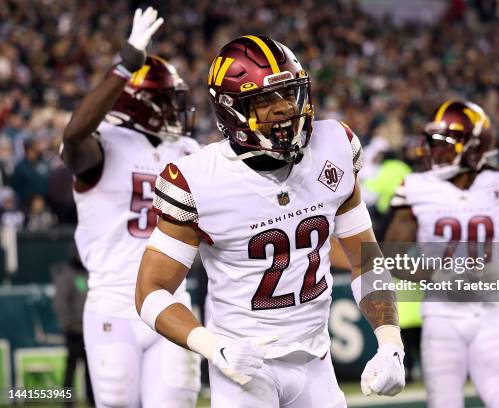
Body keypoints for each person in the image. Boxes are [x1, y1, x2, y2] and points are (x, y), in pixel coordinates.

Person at [135, 35, 406, 407]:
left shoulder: (335, 146)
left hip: (317, 361)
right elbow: (150, 291)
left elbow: (365, 260)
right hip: (243, 370)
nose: (282, 109)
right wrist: (214, 346)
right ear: (231, 110)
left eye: (288, 94)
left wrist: (391, 342)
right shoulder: (199, 179)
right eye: (264, 100)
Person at [62, 8, 201, 408]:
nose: (176, 111)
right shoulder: (101, 145)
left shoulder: (187, 150)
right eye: (166, 101)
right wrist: (124, 67)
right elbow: (73, 135)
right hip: (113, 302)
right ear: (140, 104)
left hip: (172, 300)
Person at [386, 100, 499, 407]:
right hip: (441, 316)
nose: (436, 151)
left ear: (474, 145)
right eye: (433, 142)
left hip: (492, 315)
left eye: (446, 144)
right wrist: (434, 274)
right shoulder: (416, 188)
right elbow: (390, 257)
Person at [51, 250, 94, 407]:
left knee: (90, 369)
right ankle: (67, 401)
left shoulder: (89, 273)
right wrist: (69, 324)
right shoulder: (68, 275)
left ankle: (92, 399)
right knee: (71, 367)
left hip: (88, 330)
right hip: (74, 331)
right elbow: (60, 303)